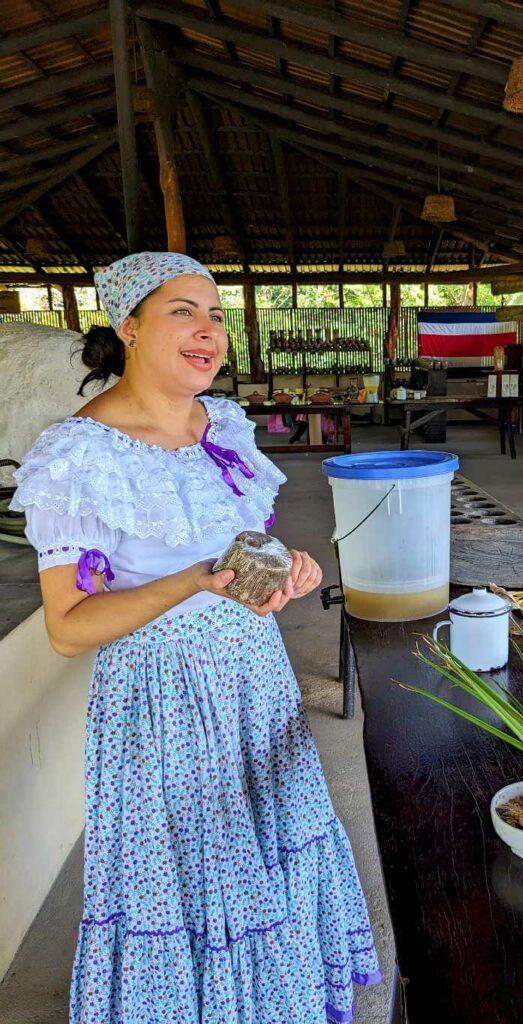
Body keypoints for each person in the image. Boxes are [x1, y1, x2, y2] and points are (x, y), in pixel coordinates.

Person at [10, 252, 380, 1023]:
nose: (207, 330)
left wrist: (283, 576)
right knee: (194, 877)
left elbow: (243, 561)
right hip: (162, 703)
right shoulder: (80, 456)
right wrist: (194, 580)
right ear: (130, 326)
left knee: (269, 845)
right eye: (183, 311)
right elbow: (70, 629)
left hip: (254, 677)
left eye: (214, 314)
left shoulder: (226, 428)